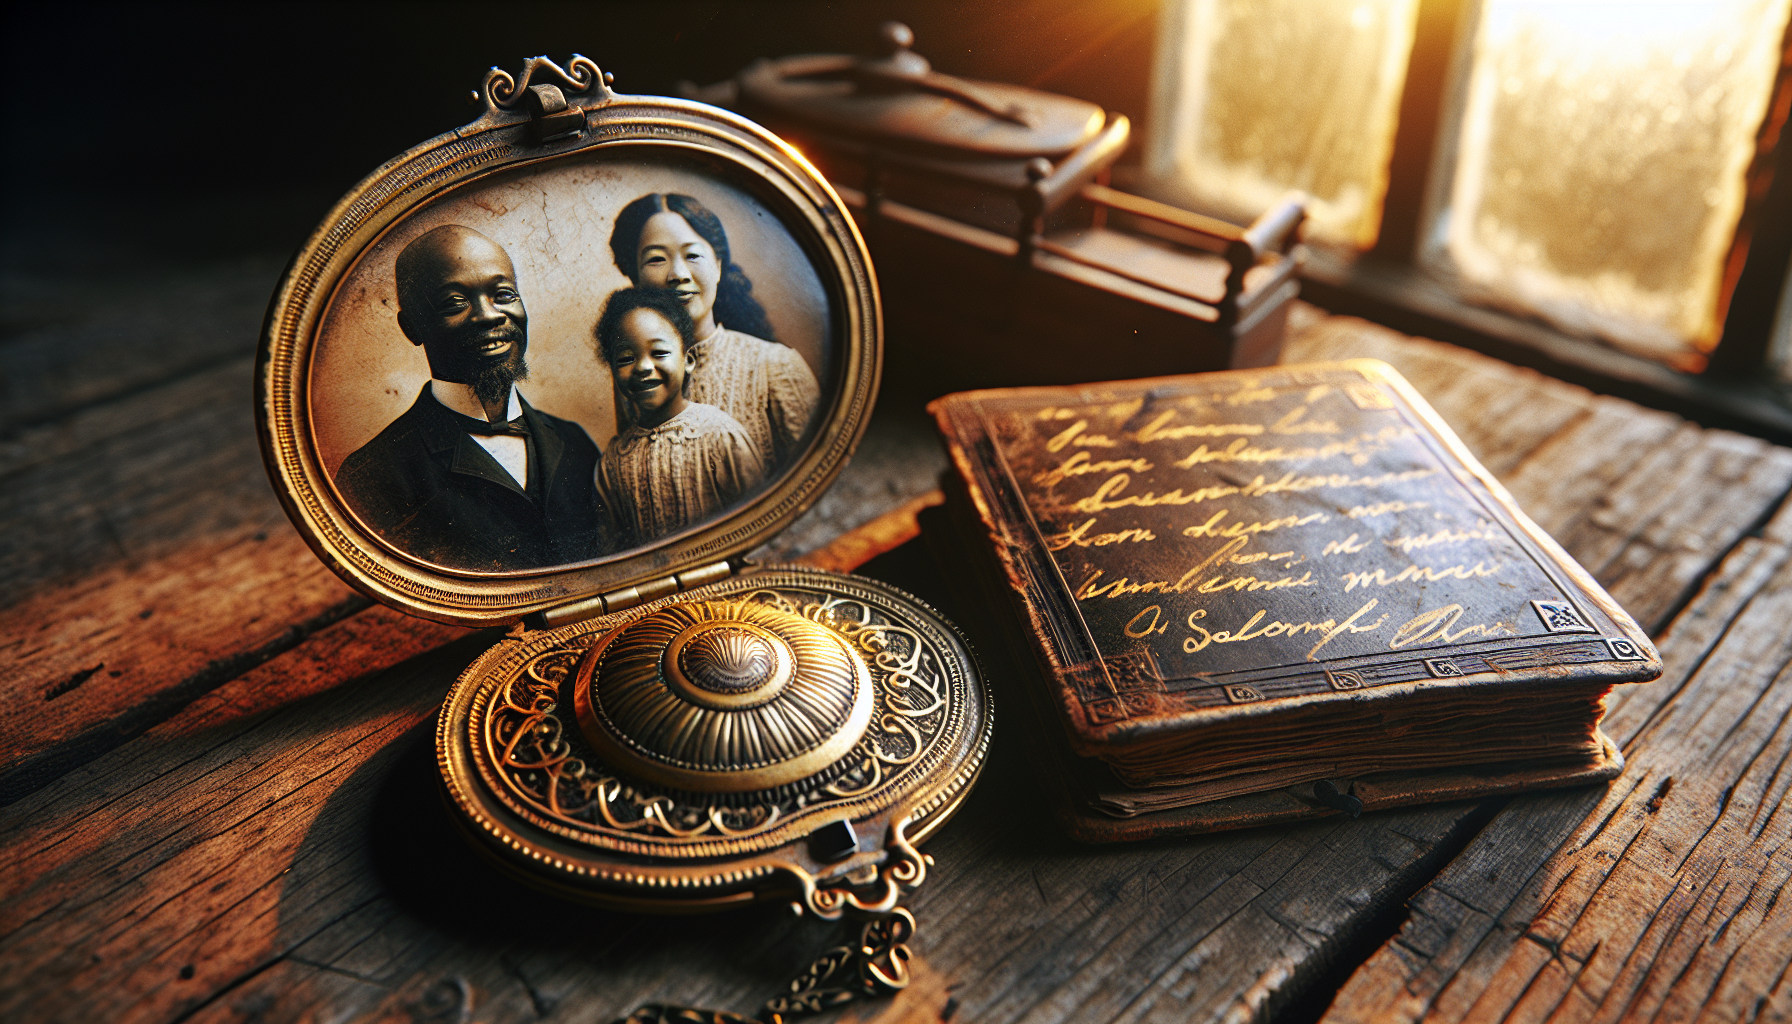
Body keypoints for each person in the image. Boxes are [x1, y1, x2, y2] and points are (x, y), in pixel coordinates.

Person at [335, 224, 612, 569]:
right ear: (412, 327)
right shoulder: (372, 476)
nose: (488, 315)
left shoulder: (574, 443)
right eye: (455, 302)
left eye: (504, 295)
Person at [608, 193, 820, 474]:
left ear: (718, 267)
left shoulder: (777, 367)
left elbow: (815, 478)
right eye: (657, 259)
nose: (679, 274)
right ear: (635, 278)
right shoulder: (637, 373)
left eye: (693, 255)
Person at [595, 287, 764, 545]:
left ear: (688, 360)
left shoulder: (719, 435)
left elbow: (760, 522)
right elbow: (612, 548)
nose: (642, 367)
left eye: (659, 353)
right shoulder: (612, 464)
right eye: (626, 358)